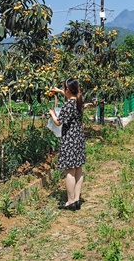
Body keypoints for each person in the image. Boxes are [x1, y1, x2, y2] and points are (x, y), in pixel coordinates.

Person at [48, 78, 87, 211]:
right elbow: (72, 95)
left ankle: (70, 202)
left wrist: (52, 114)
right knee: (78, 169)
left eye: (64, 88)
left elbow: (58, 122)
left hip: (70, 140)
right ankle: (76, 199)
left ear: (68, 90)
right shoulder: (80, 100)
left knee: (69, 170)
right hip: (79, 138)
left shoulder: (68, 105)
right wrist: (59, 91)